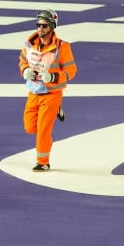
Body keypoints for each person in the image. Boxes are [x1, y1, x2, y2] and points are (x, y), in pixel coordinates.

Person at [18, 9, 77, 172]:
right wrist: (24, 71)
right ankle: (55, 111)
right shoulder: (29, 44)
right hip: (34, 91)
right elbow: (22, 60)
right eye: (38, 25)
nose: (40, 29)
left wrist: (53, 77)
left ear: (52, 27)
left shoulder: (62, 47)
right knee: (30, 127)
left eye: (44, 26)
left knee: (44, 130)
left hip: (52, 94)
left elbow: (71, 70)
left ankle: (43, 161)